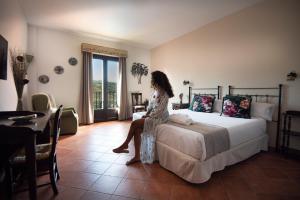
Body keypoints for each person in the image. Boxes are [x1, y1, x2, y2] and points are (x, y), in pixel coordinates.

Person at [113, 70, 174, 165]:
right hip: (154, 116)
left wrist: (148, 116)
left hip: (160, 119)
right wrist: (147, 113)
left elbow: (159, 111)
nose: (151, 81)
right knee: (137, 130)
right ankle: (137, 156)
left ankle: (125, 144)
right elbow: (151, 105)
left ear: (157, 80)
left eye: (152, 79)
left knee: (134, 123)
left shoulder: (165, 95)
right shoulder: (156, 91)